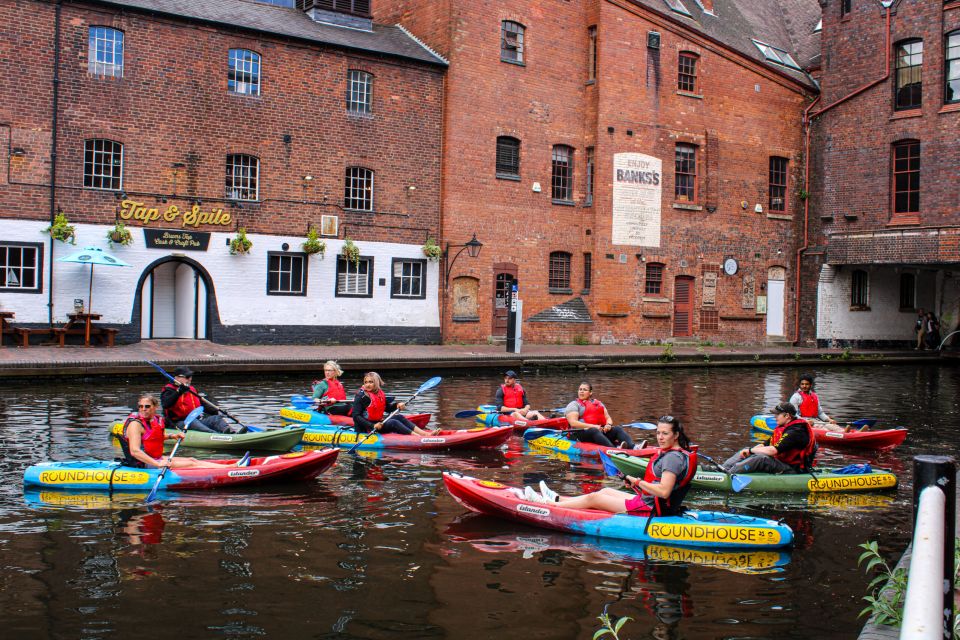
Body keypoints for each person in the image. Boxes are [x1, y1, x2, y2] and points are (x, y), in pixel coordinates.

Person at [524, 416, 696, 515]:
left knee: (595, 499)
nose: (660, 437)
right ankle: (556, 498)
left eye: (665, 434)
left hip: (649, 509)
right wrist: (637, 484)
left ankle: (547, 507)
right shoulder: (678, 454)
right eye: (658, 433)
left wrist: (638, 483)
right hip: (648, 502)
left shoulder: (672, 459)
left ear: (676, 435)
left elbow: (664, 491)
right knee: (605, 491)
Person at [117, 394, 225, 470]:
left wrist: (172, 436)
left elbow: (152, 438)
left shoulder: (154, 420)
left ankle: (231, 466)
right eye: (140, 406)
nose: (143, 409)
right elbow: (135, 451)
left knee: (192, 459)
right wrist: (158, 464)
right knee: (191, 464)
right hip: (143, 463)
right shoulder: (135, 424)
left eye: (147, 406)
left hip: (155, 458)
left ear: (155, 407)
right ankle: (229, 470)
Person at [722, 402, 816, 475]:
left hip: (793, 469)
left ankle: (729, 474)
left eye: (777, 414)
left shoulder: (796, 432)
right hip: (782, 463)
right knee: (747, 450)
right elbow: (764, 444)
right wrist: (749, 451)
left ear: (787, 416)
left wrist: (751, 451)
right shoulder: (783, 428)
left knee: (761, 458)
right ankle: (722, 469)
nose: (775, 417)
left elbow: (773, 451)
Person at [160, 366, 241, 434]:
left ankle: (232, 433)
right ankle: (215, 435)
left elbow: (206, 407)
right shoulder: (169, 390)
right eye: (187, 377)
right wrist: (179, 392)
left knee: (216, 418)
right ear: (177, 378)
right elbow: (166, 404)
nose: (190, 379)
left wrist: (223, 414)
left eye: (190, 376)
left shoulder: (192, 389)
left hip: (196, 420)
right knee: (193, 423)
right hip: (178, 423)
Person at [351, 372, 438, 436]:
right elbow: (356, 416)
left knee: (398, 416)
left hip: (378, 424)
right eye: (366, 382)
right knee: (393, 422)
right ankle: (417, 437)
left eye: (370, 382)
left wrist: (397, 405)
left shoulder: (379, 393)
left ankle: (425, 434)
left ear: (377, 383)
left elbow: (387, 408)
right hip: (367, 428)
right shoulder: (361, 396)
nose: (367, 385)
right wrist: (372, 425)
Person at [564, 382, 634, 449]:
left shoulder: (598, 403)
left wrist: (608, 425)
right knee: (594, 430)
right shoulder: (574, 404)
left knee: (617, 429)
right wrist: (594, 426)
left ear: (590, 393)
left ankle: (632, 447)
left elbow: (608, 418)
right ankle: (613, 449)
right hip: (580, 434)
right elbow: (573, 423)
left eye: (584, 390)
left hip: (598, 432)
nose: (581, 391)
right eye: (580, 389)